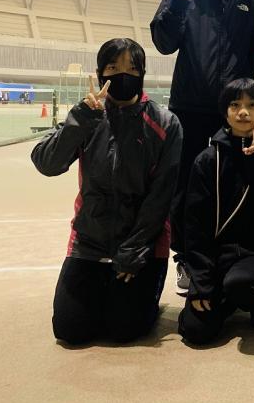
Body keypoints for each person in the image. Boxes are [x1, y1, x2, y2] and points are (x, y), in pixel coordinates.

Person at [31, 38, 182, 345]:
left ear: (142, 74)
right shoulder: (89, 116)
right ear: (100, 73)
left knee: (123, 330)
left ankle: (137, 294)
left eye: (132, 68)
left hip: (142, 244)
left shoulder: (165, 123)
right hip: (90, 241)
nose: (122, 75)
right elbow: (47, 164)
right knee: (70, 330)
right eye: (113, 67)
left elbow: (161, 196)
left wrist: (136, 248)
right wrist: (80, 120)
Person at [151, 0, 254, 292]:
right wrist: (178, 4)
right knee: (187, 186)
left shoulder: (252, 0)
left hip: (230, 112)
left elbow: (253, 55)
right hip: (188, 107)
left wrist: (239, 99)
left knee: (230, 184)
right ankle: (186, 258)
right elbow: (164, 43)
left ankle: (225, 254)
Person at [178, 79, 254, 344]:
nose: (243, 112)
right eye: (235, 105)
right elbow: (195, 224)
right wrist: (200, 283)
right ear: (225, 111)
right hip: (216, 255)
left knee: (241, 284)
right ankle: (227, 299)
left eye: (251, 105)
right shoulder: (208, 158)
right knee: (196, 330)